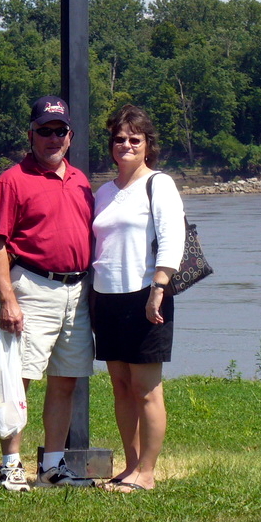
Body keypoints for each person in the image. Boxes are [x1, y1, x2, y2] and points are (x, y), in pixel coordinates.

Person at [0, 95, 96, 492]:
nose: (53, 138)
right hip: (31, 288)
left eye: (59, 131)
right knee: (19, 379)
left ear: (70, 135)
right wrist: (7, 299)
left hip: (77, 292)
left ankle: (52, 467)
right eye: (45, 131)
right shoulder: (11, 180)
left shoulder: (81, 180)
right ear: (31, 134)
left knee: (66, 380)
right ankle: (11, 466)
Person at [91, 104, 186, 492]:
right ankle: (130, 466)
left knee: (146, 388)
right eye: (119, 138)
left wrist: (158, 288)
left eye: (135, 139)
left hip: (147, 296)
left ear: (148, 145)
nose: (126, 145)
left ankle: (147, 473)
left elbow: (173, 238)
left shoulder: (159, 183)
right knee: (120, 386)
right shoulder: (104, 192)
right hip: (106, 297)